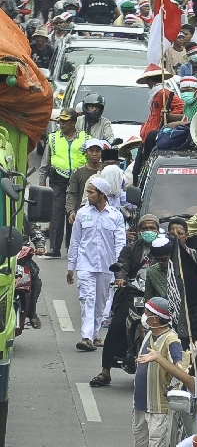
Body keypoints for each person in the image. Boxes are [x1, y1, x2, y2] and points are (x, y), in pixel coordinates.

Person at [89, 214, 159, 387]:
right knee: (116, 327)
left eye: (152, 228)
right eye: (145, 229)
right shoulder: (130, 249)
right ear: (139, 230)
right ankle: (106, 371)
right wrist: (120, 278)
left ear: (158, 230)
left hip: (157, 295)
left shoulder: (164, 249)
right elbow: (121, 265)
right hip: (133, 292)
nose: (148, 231)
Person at [67, 177, 126, 351]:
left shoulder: (116, 216)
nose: (89, 195)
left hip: (107, 267)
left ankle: (94, 335)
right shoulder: (82, 214)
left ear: (102, 194)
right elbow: (75, 241)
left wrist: (119, 269)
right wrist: (71, 267)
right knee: (87, 299)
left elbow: (120, 243)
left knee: (101, 302)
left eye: (92, 192)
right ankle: (86, 337)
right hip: (85, 265)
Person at [132, 297, 183, 447]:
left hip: (158, 410)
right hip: (140, 405)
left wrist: (159, 360)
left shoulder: (172, 339)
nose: (144, 316)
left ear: (155, 320)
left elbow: (180, 369)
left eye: (147, 313)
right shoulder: (150, 333)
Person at [41, 109, 89, 257]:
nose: (61, 123)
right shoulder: (53, 138)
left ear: (74, 123)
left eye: (65, 121)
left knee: (74, 213)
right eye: (60, 120)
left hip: (78, 180)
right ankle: (54, 248)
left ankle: (72, 247)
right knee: (56, 213)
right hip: (58, 179)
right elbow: (45, 161)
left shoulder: (85, 138)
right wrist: (42, 181)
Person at [65, 139, 105, 224]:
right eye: (91, 150)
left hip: (103, 216)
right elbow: (72, 193)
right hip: (82, 216)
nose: (94, 154)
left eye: (98, 151)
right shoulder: (78, 172)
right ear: (86, 152)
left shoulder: (106, 171)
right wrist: (71, 211)